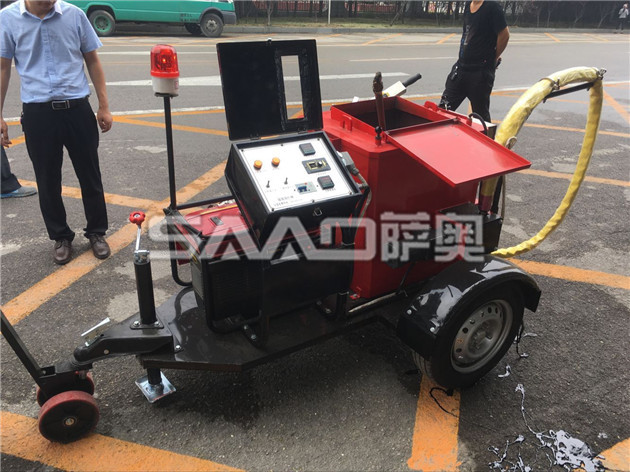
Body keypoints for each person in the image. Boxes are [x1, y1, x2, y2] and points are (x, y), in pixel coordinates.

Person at [0, 0, 113, 265]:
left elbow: (92, 60)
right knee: (47, 180)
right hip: (38, 114)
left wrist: (104, 106)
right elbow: (3, 67)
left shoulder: (74, 15)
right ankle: (60, 236)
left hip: (77, 109)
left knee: (90, 175)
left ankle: (96, 232)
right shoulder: (7, 19)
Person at [438, 0, 509, 123]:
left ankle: (485, 135)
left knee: (480, 118)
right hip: (461, 69)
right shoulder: (468, 5)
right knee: (443, 110)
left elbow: (504, 34)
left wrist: (493, 57)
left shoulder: (492, 7)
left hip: (480, 73)